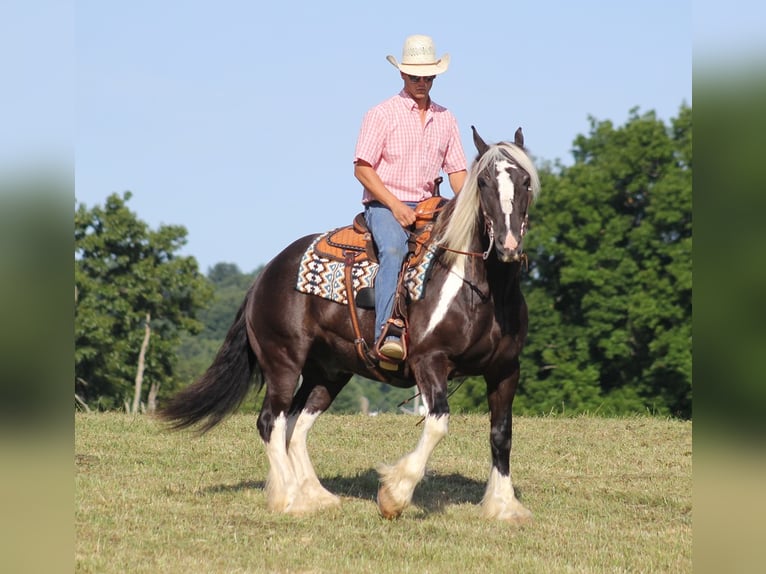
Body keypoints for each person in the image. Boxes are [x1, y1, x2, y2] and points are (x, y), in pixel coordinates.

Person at [353, 34, 468, 364]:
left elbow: (458, 172)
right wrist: (395, 205)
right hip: (385, 205)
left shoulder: (445, 118)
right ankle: (386, 331)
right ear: (402, 75)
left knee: (462, 249)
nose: (422, 82)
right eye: (416, 76)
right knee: (393, 249)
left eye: (428, 77)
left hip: (431, 205)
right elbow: (362, 169)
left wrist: (472, 208)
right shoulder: (381, 114)